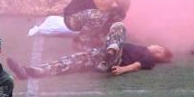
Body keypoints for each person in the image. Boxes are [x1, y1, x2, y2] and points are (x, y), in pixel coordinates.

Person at [9, 22, 172, 79]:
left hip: (116, 58)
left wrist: (122, 69)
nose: (156, 49)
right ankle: (30, 71)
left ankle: (109, 55)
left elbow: (137, 65)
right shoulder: (141, 47)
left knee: (119, 26)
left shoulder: (148, 58)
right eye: (159, 47)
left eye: (159, 52)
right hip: (98, 55)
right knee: (68, 62)